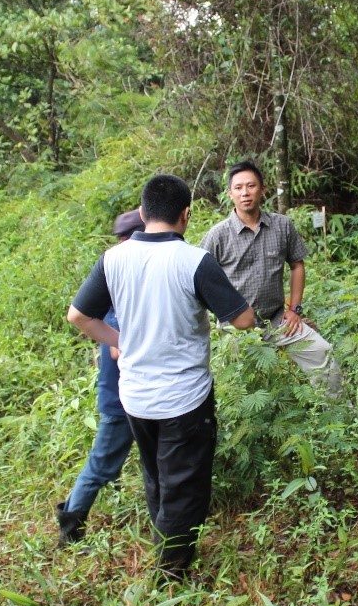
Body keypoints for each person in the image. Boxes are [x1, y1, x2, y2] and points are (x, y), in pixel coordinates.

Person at [67, 175, 255, 581]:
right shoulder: (193, 261)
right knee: (185, 487)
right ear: (186, 215)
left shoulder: (113, 259)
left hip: (135, 395)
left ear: (141, 213)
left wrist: (122, 341)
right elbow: (242, 319)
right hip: (184, 399)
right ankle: (171, 574)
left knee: (155, 477)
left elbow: (79, 316)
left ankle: (164, 551)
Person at [200, 160, 344, 398]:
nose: (245, 193)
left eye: (251, 186)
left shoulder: (281, 225)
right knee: (240, 388)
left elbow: (297, 264)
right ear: (230, 194)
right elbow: (201, 281)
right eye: (238, 188)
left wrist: (295, 309)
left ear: (262, 189)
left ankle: (341, 413)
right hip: (234, 329)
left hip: (278, 321)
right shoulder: (218, 235)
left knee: (322, 352)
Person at [56, 209, 145, 547]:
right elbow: (116, 350)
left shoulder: (116, 284)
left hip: (126, 397)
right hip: (122, 401)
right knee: (101, 467)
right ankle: (70, 528)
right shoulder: (120, 290)